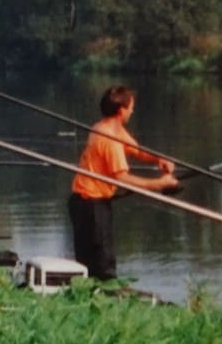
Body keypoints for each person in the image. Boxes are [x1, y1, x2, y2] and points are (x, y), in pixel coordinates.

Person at [68, 85, 178, 281]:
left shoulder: (109, 128)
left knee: (90, 263)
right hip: (91, 206)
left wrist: (158, 159)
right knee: (103, 265)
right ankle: (105, 299)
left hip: (87, 203)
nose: (133, 111)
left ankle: (93, 297)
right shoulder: (108, 138)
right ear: (121, 111)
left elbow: (135, 150)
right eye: (131, 107)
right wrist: (159, 185)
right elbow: (122, 179)